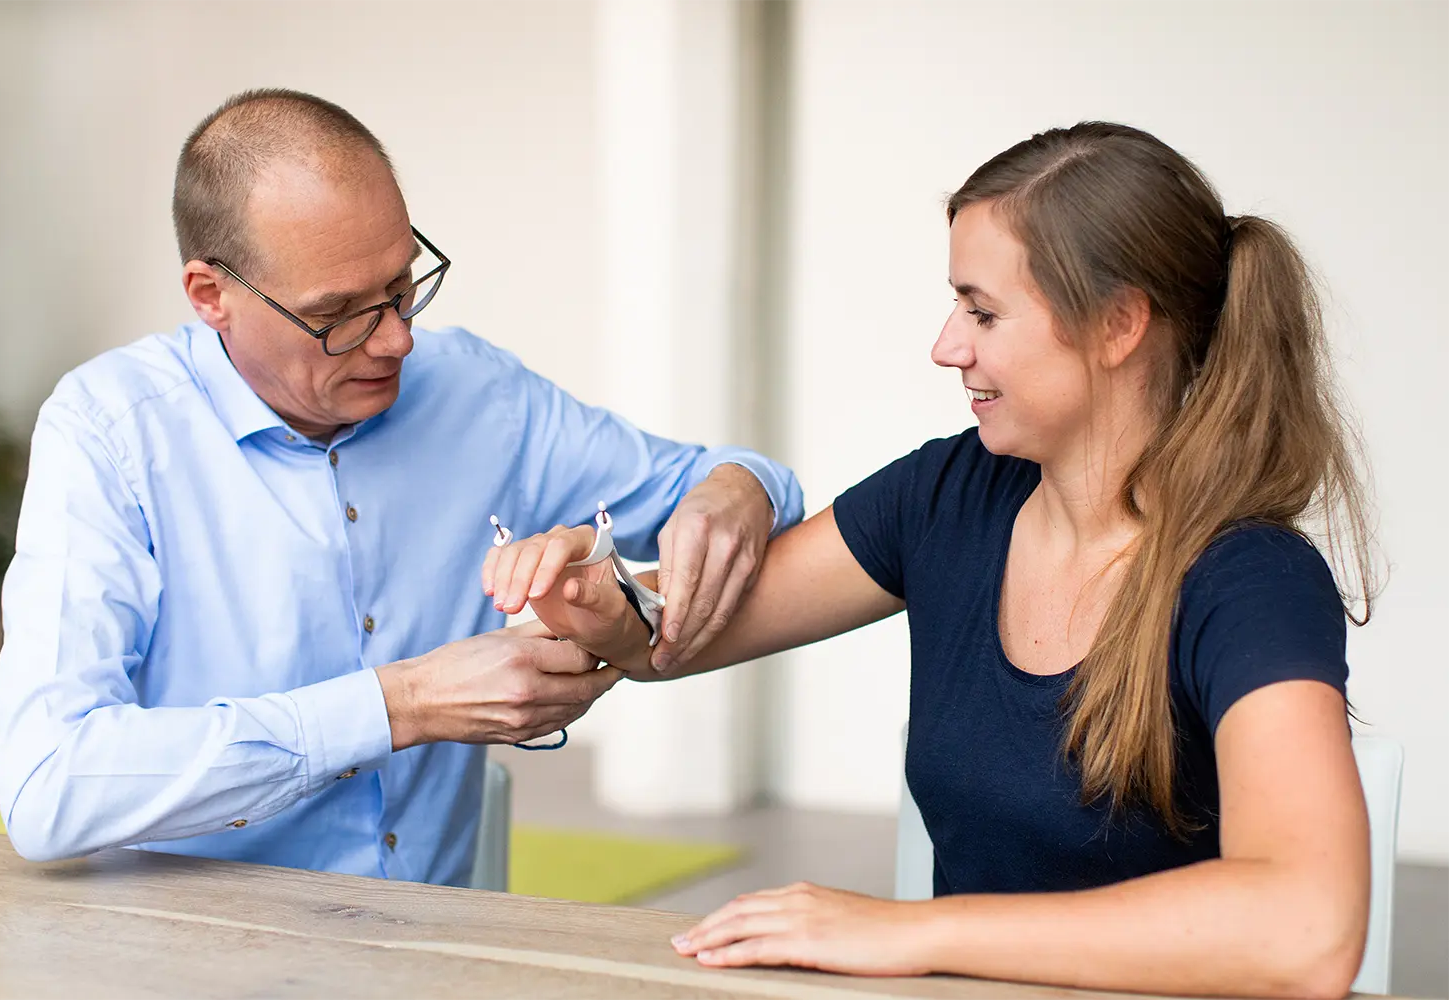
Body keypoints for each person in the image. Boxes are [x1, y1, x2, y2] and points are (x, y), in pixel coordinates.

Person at [485, 122, 1376, 998]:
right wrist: (597, 593)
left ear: (1118, 326)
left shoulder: (1250, 580)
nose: (948, 346)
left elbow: (1306, 931)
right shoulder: (951, 493)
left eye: (983, 312)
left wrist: (907, 930)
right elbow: (673, 639)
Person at [0, 88, 803, 886]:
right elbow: (48, 788)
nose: (399, 339)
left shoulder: (479, 394)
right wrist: (399, 705)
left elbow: (716, 481)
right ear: (212, 296)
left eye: (403, 285)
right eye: (339, 312)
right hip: (198, 962)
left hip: (438, 948)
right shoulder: (109, 430)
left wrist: (738, 488)